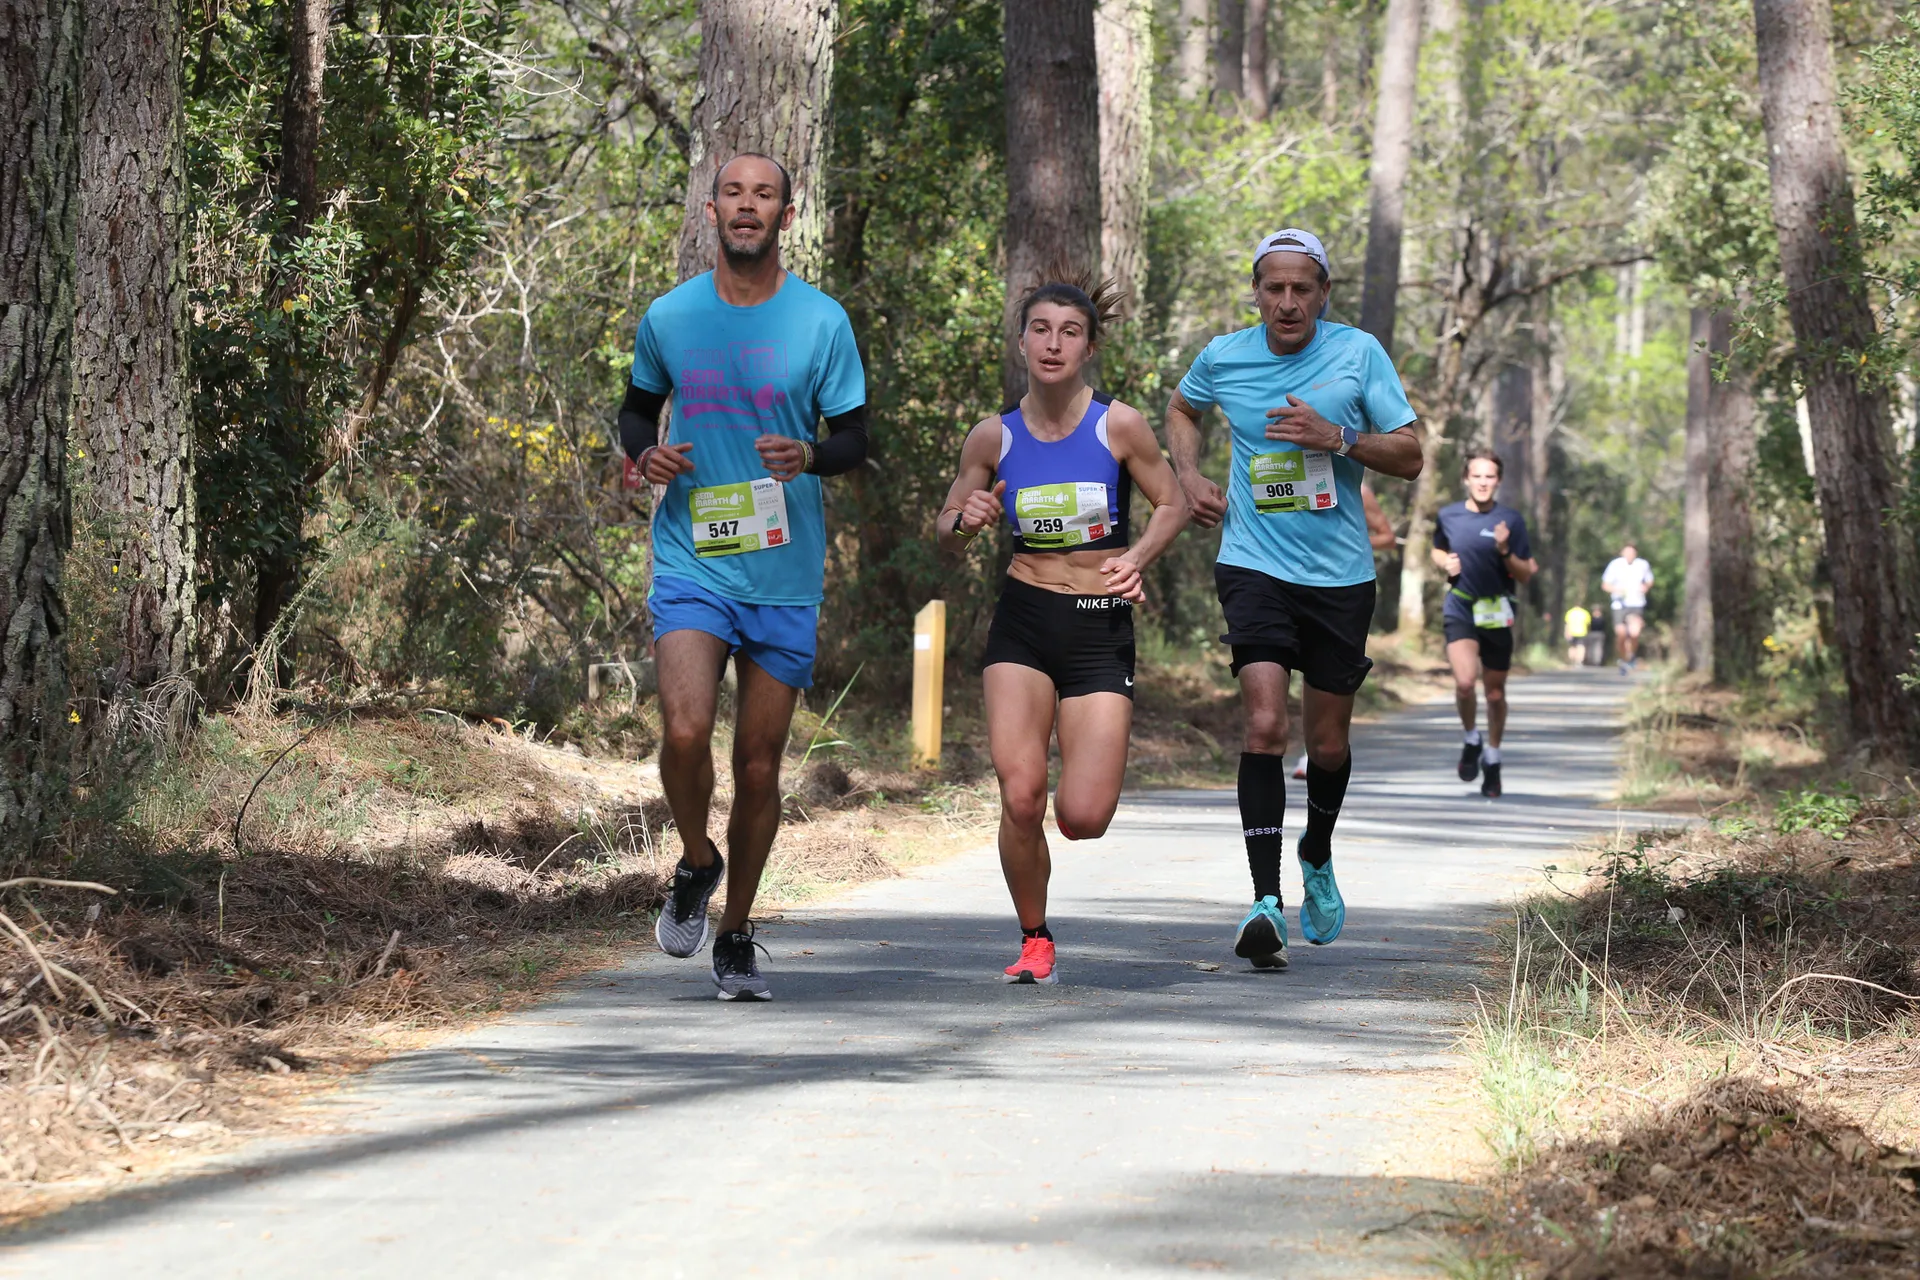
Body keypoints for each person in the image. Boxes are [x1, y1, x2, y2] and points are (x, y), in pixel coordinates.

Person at [618, 154, 870, 1001]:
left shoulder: (821, 321)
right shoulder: (672, 314)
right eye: (734, 193)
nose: (747, 207)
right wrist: (640, 451)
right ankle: (696, 860)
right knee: (685, 732)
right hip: (693, 554)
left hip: (785, 571)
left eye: (764, 195)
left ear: (786, 215)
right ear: (712, 208)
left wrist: (810, 453)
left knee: (759, 765)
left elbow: (857, 439)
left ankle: (736, 932)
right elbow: (635, 406)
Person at [1166, 228, 1423, 970]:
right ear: (1256, 292)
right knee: (1264, 723)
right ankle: (1264, 901)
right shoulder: (1224, 356)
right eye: (1273, 288)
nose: (1287, 301)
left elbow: (1410, 453)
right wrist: (1187, 473)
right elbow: (1183, 410)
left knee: (1330, 743)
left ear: (1323, 295)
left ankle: (1316, 848)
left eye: (1301, 288)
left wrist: (1338, 437)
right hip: (1253, 563)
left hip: (1340, 575)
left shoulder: (1358, 354)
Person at [936, 274, 1188, 985]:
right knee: (1020, 793)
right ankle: (1034, 936)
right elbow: (947, 524)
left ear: (1089, 346)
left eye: (1068, 331)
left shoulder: (1120, 425)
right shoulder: (994, 435)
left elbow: (1171, 502)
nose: (1053, 343)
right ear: (1021, 342)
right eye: (1040, 329)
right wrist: (967, 519)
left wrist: (1136, 558)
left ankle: (1066, 827)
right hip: (1024, 620)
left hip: (1098, 624)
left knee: (1082, 816)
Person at [1433, 450, 1538, 800]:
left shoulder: (1511, 520)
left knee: (1494, 693)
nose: (1482, 482)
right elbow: (1437, 549)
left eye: (1489, 476)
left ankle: (1492, 758)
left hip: (1497, 612)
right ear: (1466, 478)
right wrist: (1443, 562)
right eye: (1477, 475)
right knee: (1465, 684)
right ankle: (1470, 738)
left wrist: (1506, 549)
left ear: (1499, 481)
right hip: (1460, 607)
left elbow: (1526, 573)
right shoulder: (1448, 515)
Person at [1294, 483, 1394, 779]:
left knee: (1321, 674)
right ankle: (1309, 751)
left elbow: (1387, 536)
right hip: (1285, 583)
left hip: (1339, 587)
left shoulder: (1358, 489)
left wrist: (1344, 539)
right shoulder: (1280, 468)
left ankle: (1312, 752)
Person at [1601, 542, 1654, 675]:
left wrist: (1645, 587)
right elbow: (1605, 585)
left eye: (1632, 553)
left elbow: (1649, 580)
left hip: (1636, 603)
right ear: (1622, 553)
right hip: (1619, 604)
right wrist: (1616, 590)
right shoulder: (1615, 565)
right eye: (1627, 552)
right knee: (1621, 634)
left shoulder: (1642, 565)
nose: (1629, 555)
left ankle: (1631, 656)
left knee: (1635, 633)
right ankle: (1623, 658)